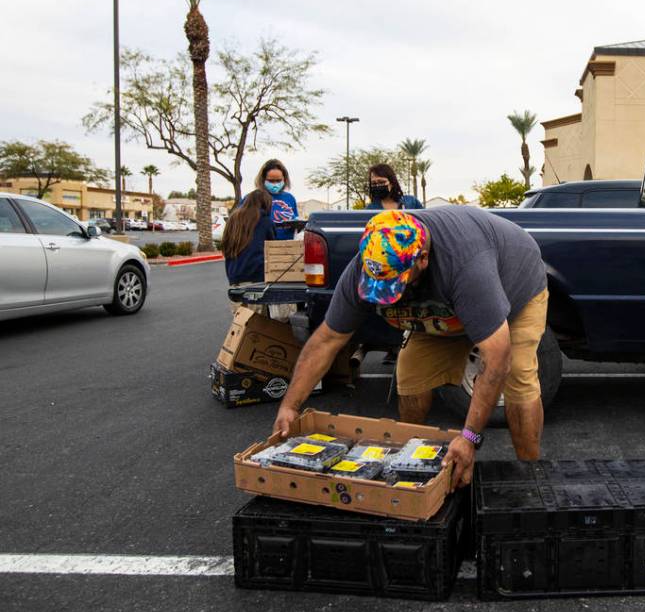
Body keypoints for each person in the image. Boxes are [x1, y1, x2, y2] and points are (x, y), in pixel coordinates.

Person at [271, 207, 548, 487]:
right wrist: (290, 406)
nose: (386, 295)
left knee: (519, 379)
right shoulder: (368, 263)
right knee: (411, 378)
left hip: (515, 286)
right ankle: (416, 471)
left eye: (394, 284)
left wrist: (469, 438)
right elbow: (327, 340)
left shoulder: (465, 266)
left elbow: (497, 360)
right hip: (443, 306)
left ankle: (530, 478)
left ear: (423, 259)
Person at [221, 189, 275, 308]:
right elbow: (273, 249)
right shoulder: (264, 221)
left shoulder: (233, 219)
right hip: (257, 278)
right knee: (258, 323)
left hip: (235, 278)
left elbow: (225, 246)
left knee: (240, 322)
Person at [255, 159, 300, 240]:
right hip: (261, 248)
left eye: (278, 180)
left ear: (284, 179)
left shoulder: (290, 198)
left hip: (287, 247)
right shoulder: (253, 198)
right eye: (271, 181)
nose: (275, 184)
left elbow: (296, 222)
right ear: (263, 179)